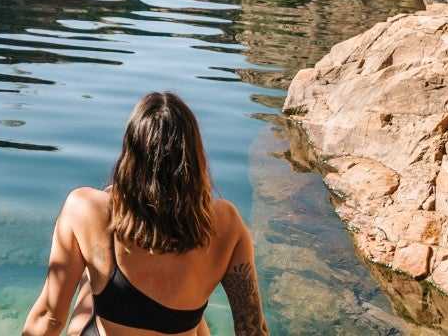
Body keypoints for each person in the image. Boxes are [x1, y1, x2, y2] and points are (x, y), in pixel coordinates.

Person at [21, 92, 269, 336]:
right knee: (194, 320)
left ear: (129, 157)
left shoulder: (85, 209)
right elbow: (252, 329)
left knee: (90, 280)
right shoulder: (226, 223)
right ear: (194, 159)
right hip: (183, 308)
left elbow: (50, 317)